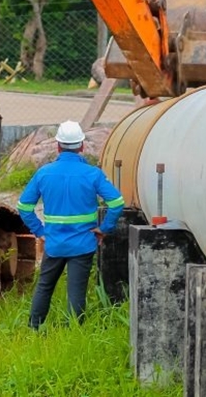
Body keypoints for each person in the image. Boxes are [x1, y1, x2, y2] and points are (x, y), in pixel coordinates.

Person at [17, 120, 124, 328]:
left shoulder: (44, 173)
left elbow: (24, 206)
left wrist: (39, 231)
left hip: (54, 243)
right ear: (82, 146)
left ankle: (34, 329)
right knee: (76, 291)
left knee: (44, 286)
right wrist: (104, 229)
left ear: (58, 146)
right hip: (83, 243)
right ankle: (73, 331)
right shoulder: (93, 174)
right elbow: (117, 203)